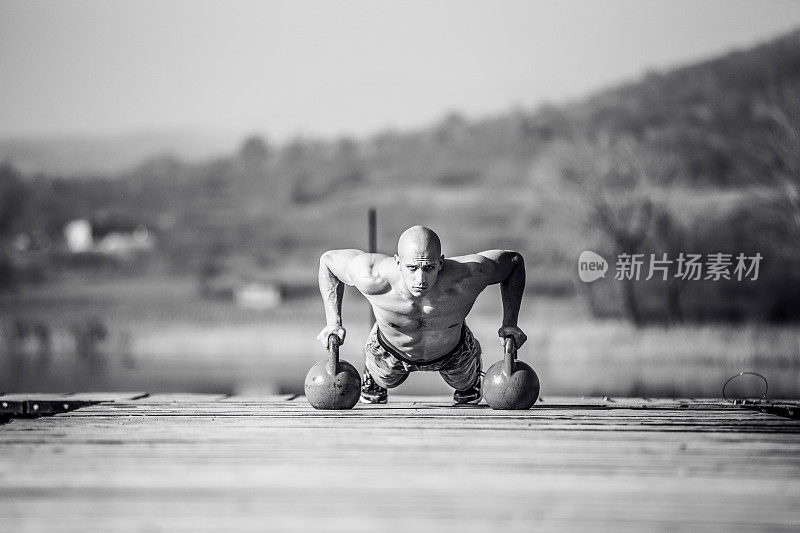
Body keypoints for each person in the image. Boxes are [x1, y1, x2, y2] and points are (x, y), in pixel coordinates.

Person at [316, 225, 527, 405]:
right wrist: (333, 323)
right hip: (389, 350)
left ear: (441, 262)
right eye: (412, 267)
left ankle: (470, 381)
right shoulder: (372, 275)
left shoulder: (469, 274)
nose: (421, 279)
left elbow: (514, 262)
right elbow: (328, 262)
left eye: (429, 267)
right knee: (383, 381)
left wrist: (510, 323)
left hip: (454, 351)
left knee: (466, 387)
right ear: (398, 262)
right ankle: (373, 377)